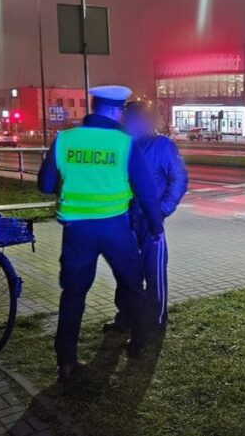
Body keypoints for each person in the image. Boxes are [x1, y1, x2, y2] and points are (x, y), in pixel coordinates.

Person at [37, 85, 164, 384]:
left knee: (74, 295)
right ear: (114, 110)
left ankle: (66, 362)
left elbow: (44, 185)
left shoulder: (65, 139)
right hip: (115, 229)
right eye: (120, 109)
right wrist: (156, 227)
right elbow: (146, 192)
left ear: (94, 108)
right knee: (133, 287)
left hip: (77, 231)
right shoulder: (124, 143)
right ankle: (140, 344)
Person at [104, 101, 188, 333]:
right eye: (126, 118)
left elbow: (179, 179)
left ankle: (155, 321)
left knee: (154, 272)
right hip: (124, 220)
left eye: (132, 118)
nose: (127, 122)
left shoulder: (161, 145)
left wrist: (162, 210)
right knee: (125, 272)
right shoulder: (121, 146)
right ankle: (126, 318)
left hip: (150, 221)